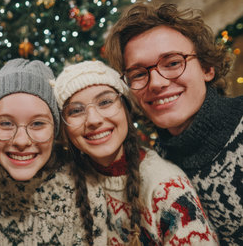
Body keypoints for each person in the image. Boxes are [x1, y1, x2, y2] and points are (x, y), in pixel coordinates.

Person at [104, 3, 243, 244]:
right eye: (138, 74)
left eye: (172, 63)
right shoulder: (154, 170)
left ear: (207, 67)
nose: (156, 83)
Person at [53, 60, 218, 245]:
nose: (93, 119)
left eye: (105, 102)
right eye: (76, 111)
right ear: (64, 127)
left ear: (126, 109)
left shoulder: (167, 188)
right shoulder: (60, 183)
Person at [0, 58, 107, 245]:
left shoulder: (86, 190)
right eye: (6, 123)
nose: (21, 141)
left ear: (55, 130)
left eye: (38, 124)